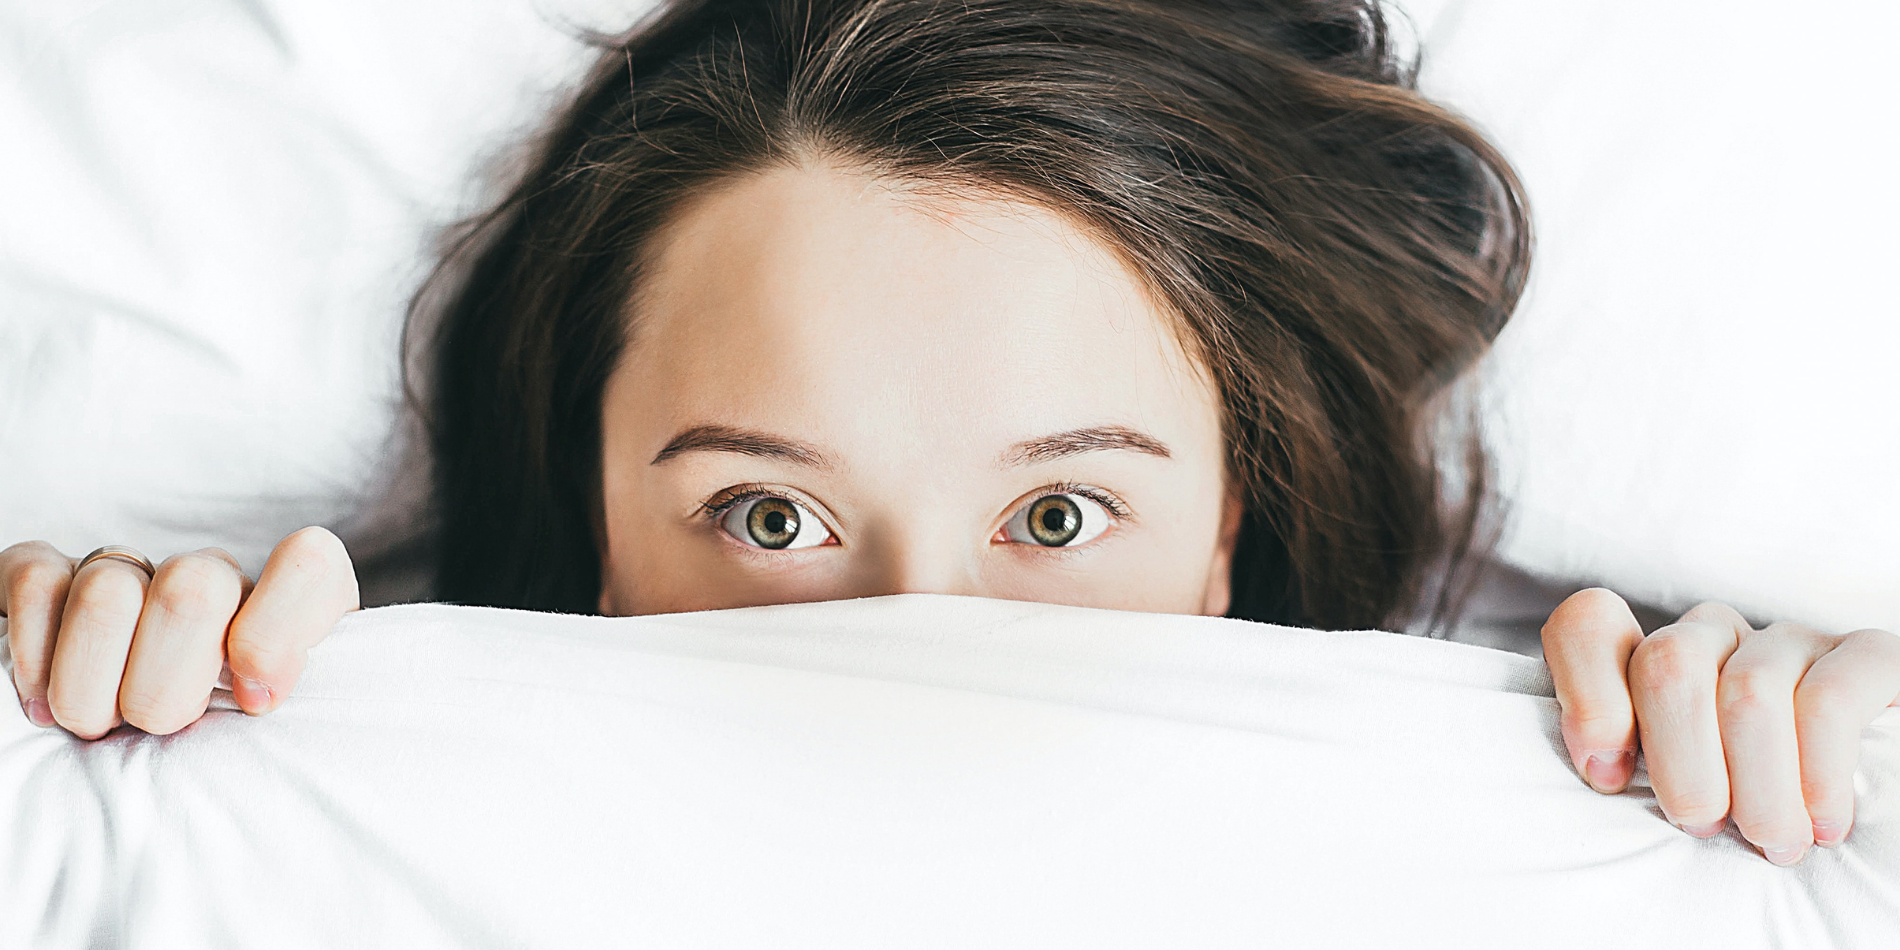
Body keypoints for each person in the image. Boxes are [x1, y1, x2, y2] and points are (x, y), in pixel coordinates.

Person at [1, 0, 1894, 870]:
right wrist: (97, 702)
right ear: (594, 529)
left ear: (1230, 525)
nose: (920, 633)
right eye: (767, 513)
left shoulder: (1559, 797)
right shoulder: (296, 799)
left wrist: (1819, 754)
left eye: (1059, 515)